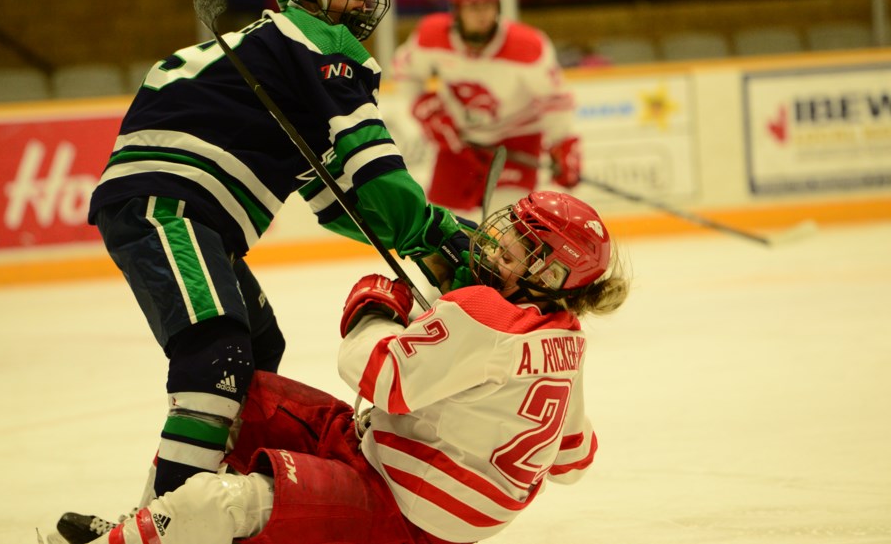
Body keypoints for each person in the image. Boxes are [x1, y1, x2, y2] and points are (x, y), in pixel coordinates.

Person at [64, 0, 474, 536]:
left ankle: (157, 516)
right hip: (171, 208)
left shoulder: (273, 58)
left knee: (256, 354)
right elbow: (378, 178)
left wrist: (415, 237)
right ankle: (167, 529)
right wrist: (434, 232)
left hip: (179, 210)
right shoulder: (318, 48)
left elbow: (339, 200)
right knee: (218, 355)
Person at [48, 190, 629, 544]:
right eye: (508, 233)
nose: (495, 245)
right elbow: (574, 459)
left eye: (513, 249)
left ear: (549, 276)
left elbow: (380, 376)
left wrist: (380, 301)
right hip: (391, 463)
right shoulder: (564, 338)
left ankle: (140, 534)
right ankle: (146, 524)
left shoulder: (483, 316)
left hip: (402, 513)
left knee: (220, 503)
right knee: (249, 398)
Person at [391, 0, 582, 217]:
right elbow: (405, 72)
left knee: (506, 226)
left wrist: (563, 144)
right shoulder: (431, 35)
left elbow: (554, 101)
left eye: (489, 4)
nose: (483, 14)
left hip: (517, 141)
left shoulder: (528, 46)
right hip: (460, 143)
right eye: (473, 6)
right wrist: (425, 106)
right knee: (441, 226)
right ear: (456, 9)